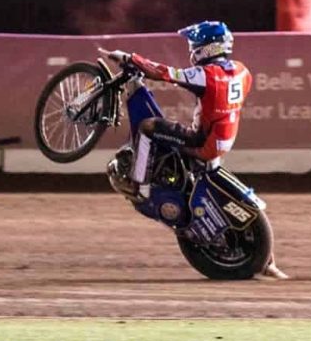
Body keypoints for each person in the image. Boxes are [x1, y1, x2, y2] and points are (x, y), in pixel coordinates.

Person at [101, 22, 283, 279]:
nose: (192, 50)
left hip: (202, 142)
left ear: (208, 47)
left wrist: (132, 59)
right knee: (172, 139)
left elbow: (165, 73)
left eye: (195, 45)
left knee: (147, 127)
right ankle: (267, 261)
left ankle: (140, 185)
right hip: (223, 141)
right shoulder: (242, 71)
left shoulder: (207, 75)